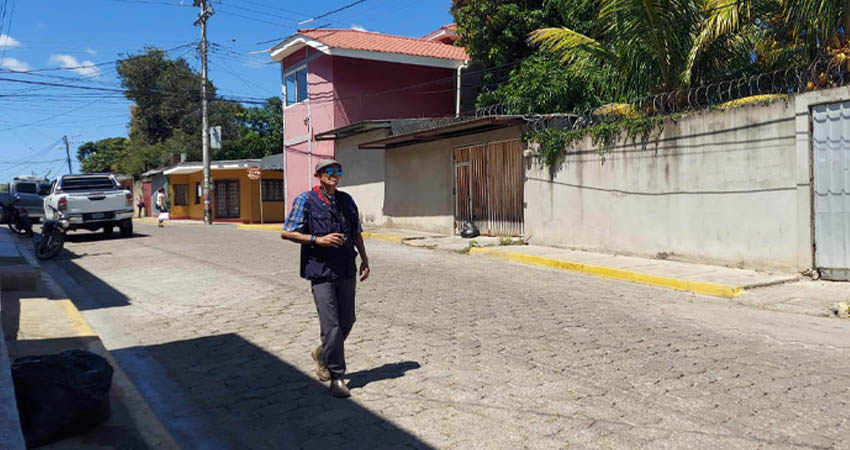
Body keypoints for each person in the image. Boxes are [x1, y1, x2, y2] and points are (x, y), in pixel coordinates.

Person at [280, 158, 370, 398]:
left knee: (347, 321)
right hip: (320, 271)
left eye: (337, 171)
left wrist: (365, 259)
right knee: (331, 327)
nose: (334, 175)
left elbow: (357, 233)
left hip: (346, 268)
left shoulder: (346, 200)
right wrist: (317, 240)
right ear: (319, 175)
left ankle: (322, 353)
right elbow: (286, 232)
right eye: (328, 171)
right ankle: (337, 376)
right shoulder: (306, 200)